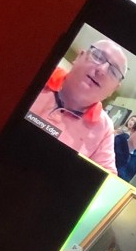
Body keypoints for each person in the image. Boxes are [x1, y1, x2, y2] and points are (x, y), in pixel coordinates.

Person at [27, 39, 128, 173]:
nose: (102, 70)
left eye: (113, 71)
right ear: (79, 56)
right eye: (98, 56)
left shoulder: (104, 128)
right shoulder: (37, 72)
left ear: (113, 89)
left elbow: (104, 177)